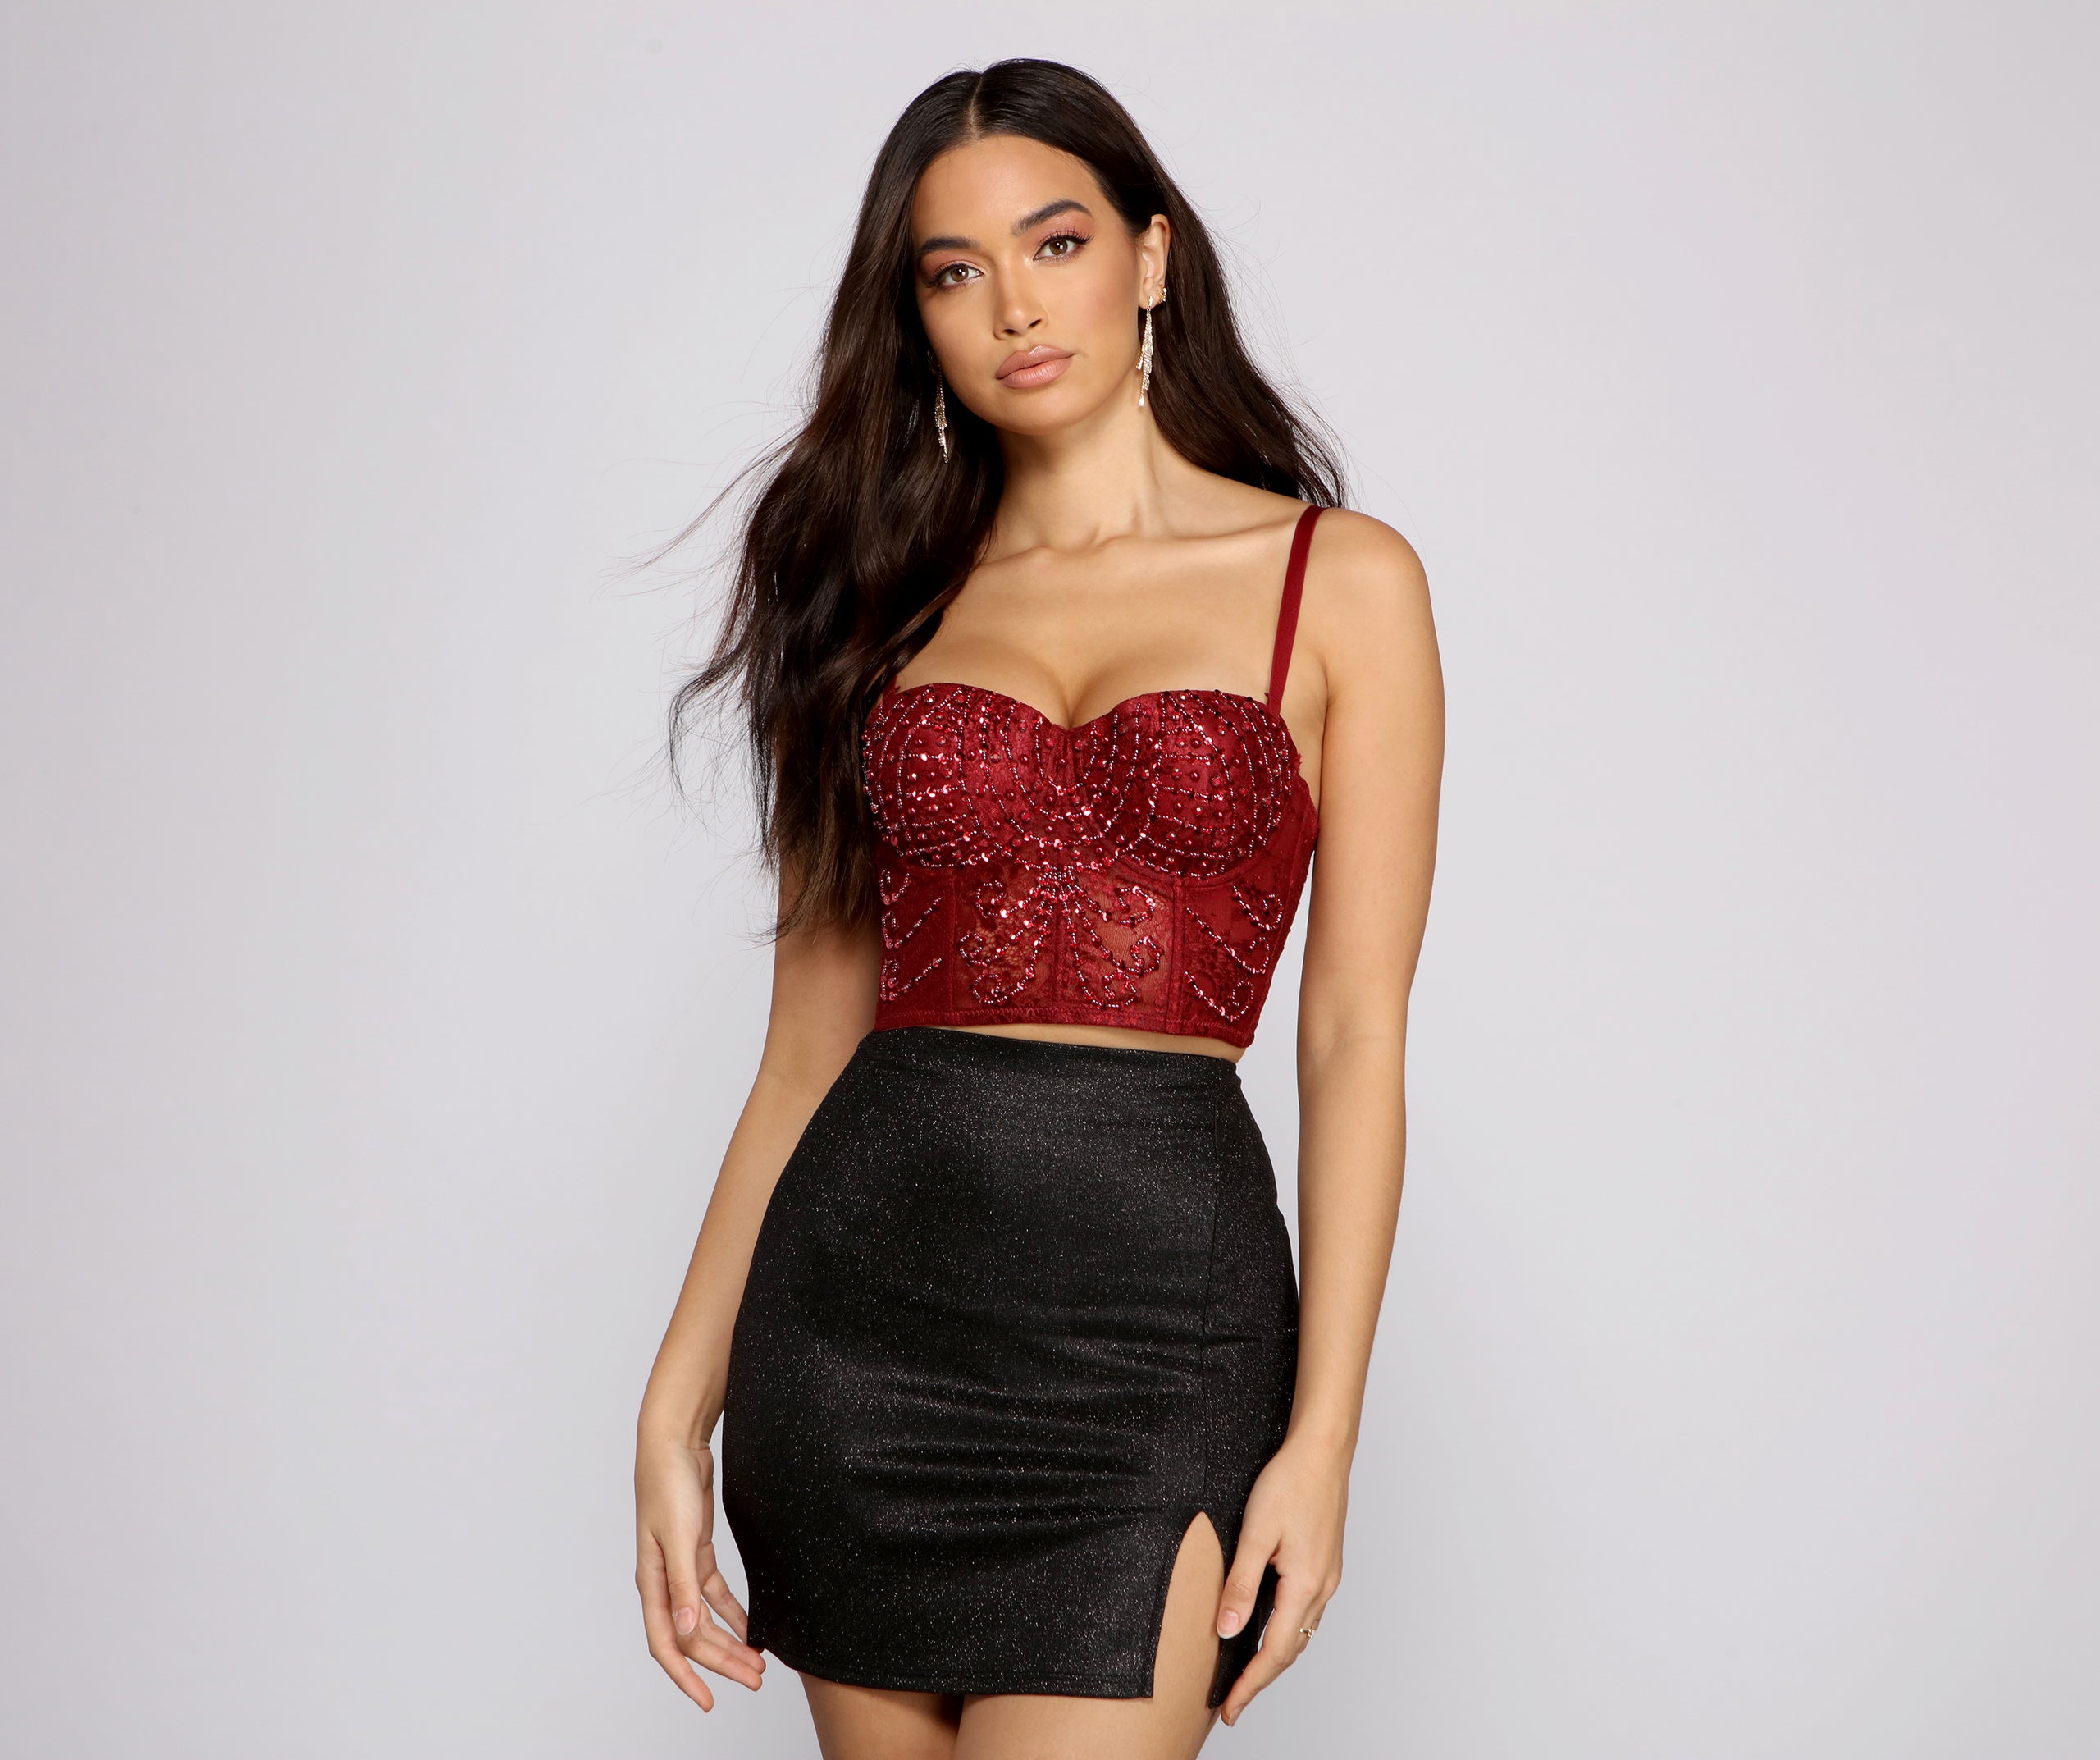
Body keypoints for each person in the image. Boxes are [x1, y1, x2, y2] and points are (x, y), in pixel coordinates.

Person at [634, 57, 1443, 1760]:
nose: (1012, 304)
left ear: (1151, 256)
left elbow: (1353, 1038)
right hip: (853, 1343)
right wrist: (675, 1397)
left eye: (1055, 242)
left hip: (1157, 1338)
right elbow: (802, 1055)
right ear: (916, 317)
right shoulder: (870, 601)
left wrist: (1324, 1436)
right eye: (954, 271)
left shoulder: (1340, 583)